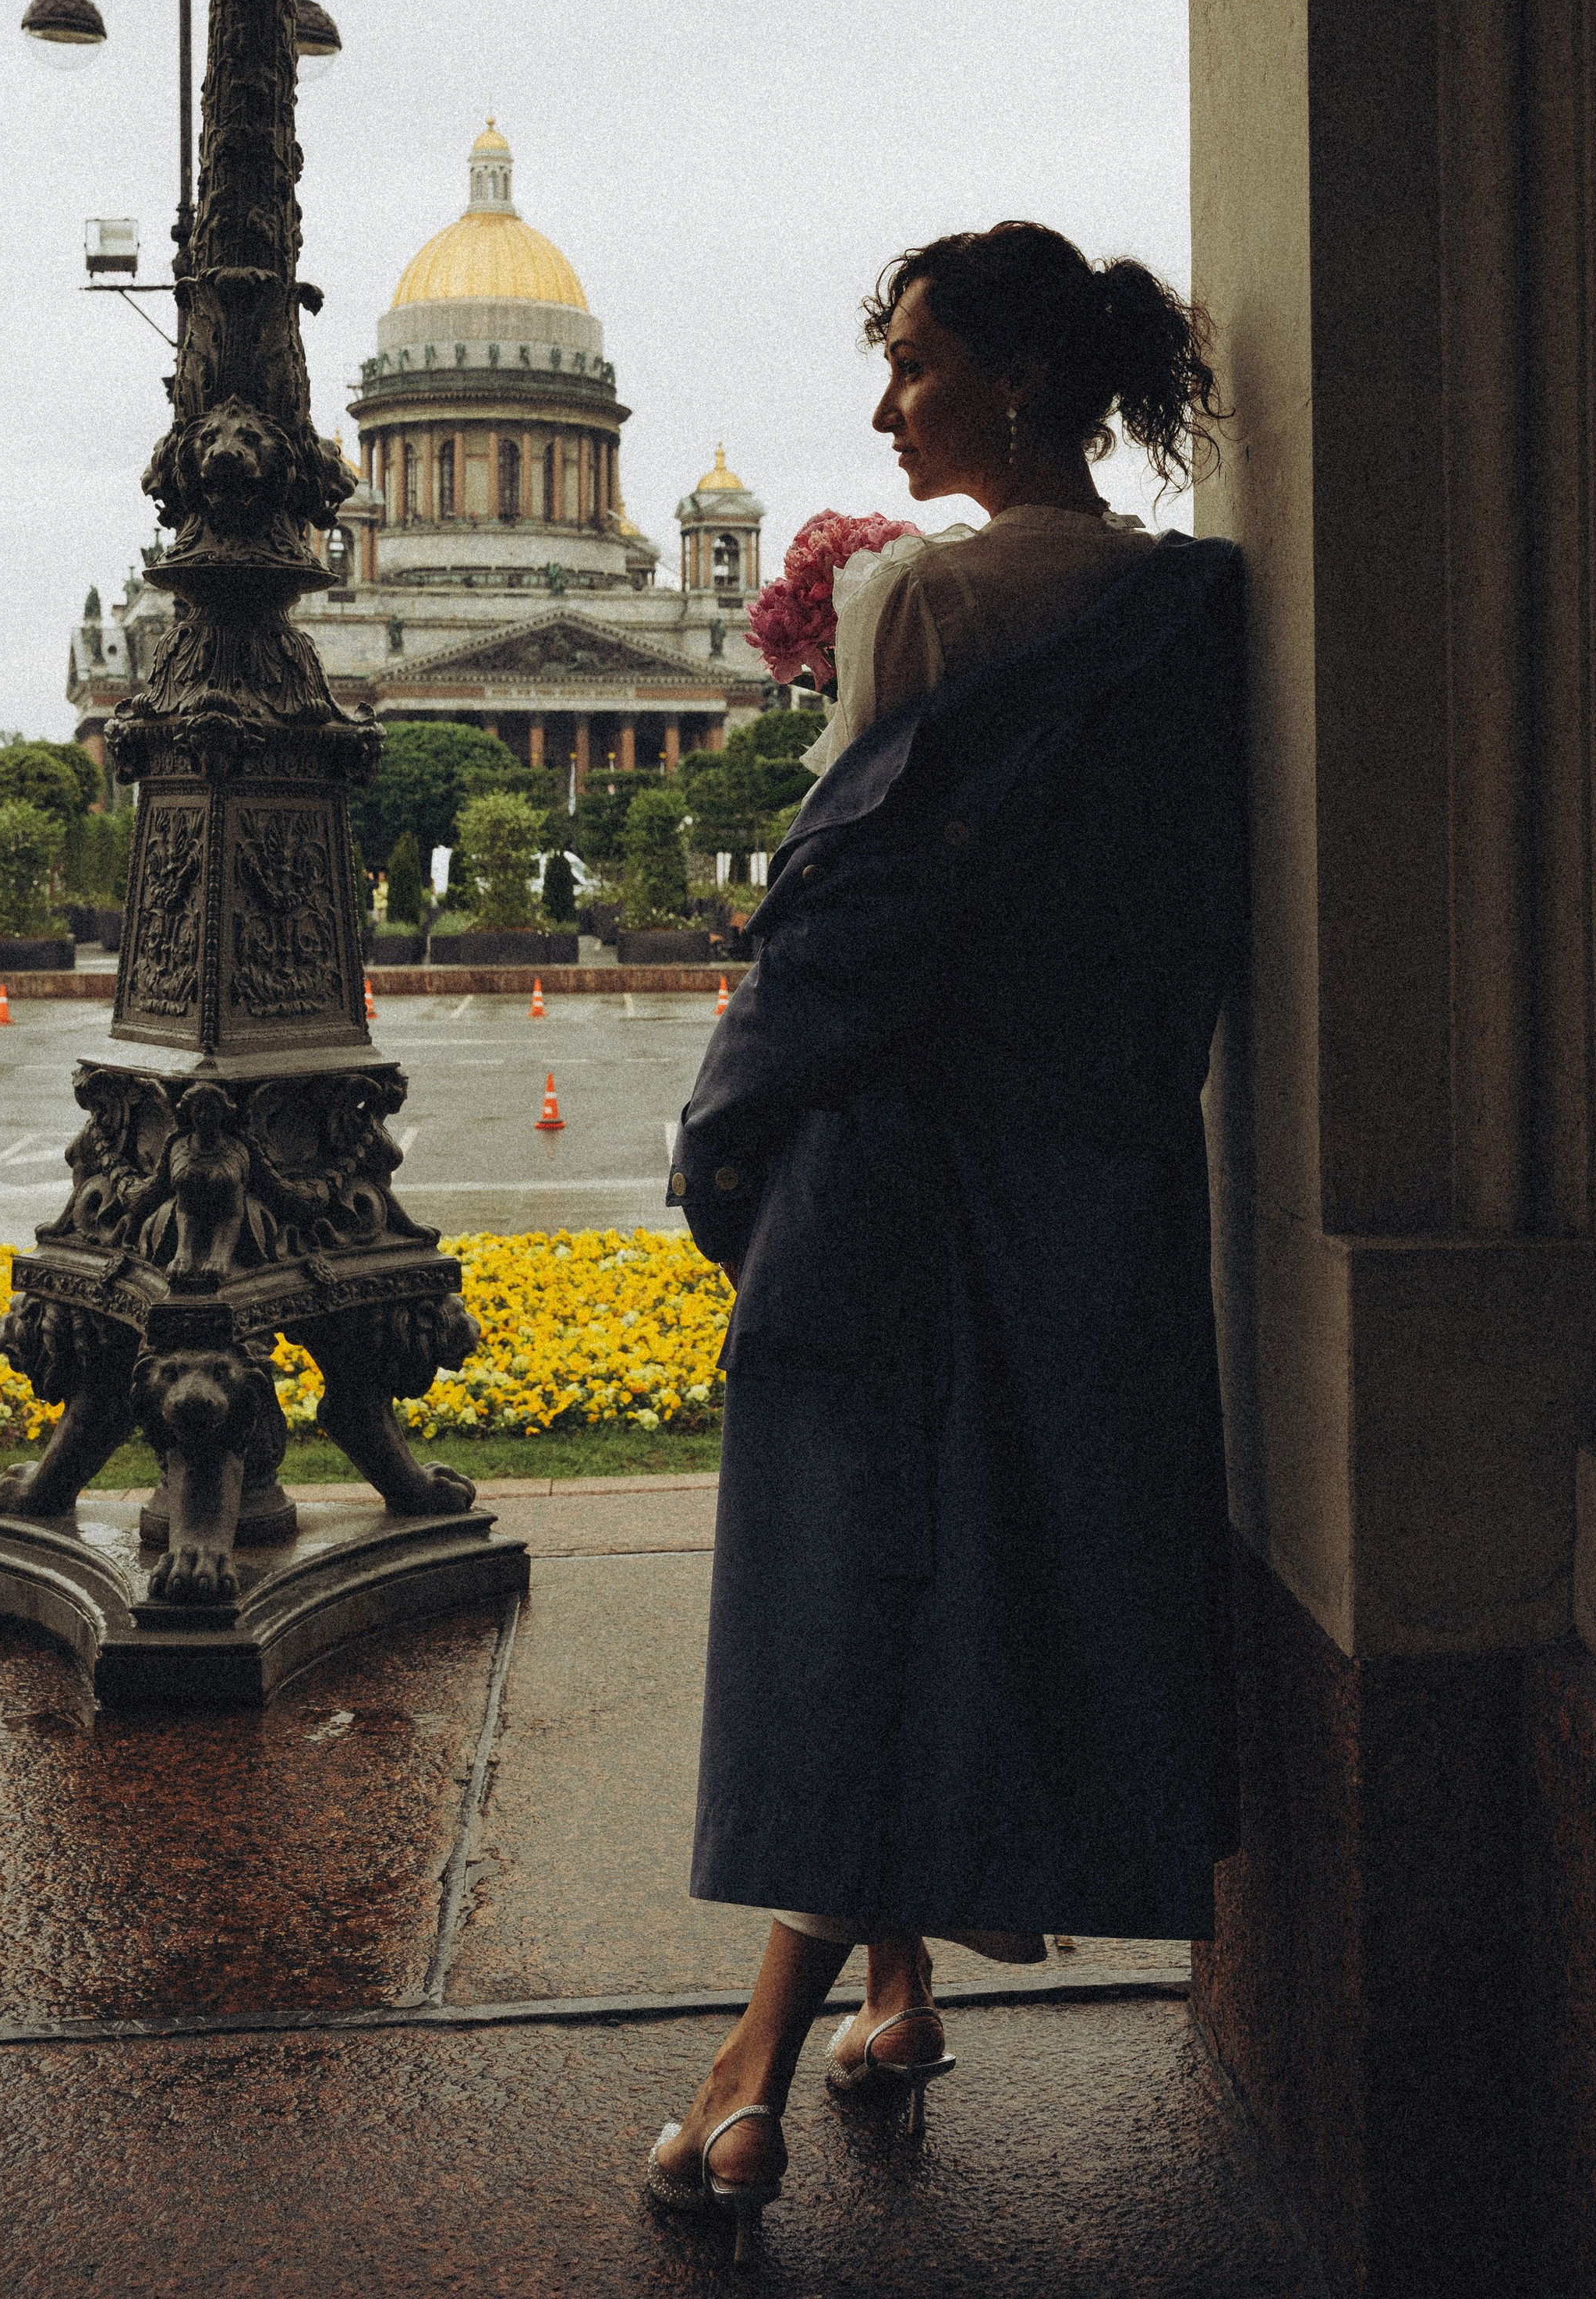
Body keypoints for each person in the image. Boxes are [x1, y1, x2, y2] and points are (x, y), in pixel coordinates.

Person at [647, 221, 1243, 2255]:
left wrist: (724, 1152)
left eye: (912, 362)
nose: (887, 404)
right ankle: (893, 1997)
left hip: (900, 1180)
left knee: (854, 1604)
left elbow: (846, 929)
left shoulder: (921, 602)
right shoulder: (1191, 606)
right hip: (1098, 1180)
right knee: (957, 1586)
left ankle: (747, 2078)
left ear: (1011, 377)